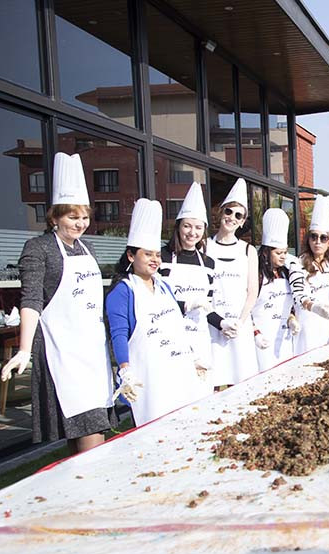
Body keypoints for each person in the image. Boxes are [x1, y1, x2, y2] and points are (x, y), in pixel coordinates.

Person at [2, 152, 115, 452]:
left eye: (84, 217)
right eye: (72, 216)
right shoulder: (38, 248)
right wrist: (24, 349)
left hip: (91, 353)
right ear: (54, 216)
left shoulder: (87, 247)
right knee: (90, 433)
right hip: (61, 353)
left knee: (88, 429)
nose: (80, 223)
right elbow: (31, 300)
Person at [106, 199, 209, 426]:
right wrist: (124, 370)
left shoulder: (163, 286)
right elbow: (119, 334)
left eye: (157, 255)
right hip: (149, 377)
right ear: (131, 256)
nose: (155, 260)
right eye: (147, 255)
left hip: (177, 370)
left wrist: (193, 357)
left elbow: (176, 327)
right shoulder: (122, 291)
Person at [158, 182, 219, 385]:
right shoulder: (162, 257)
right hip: (171, 338)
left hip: (200, 339)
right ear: (178, 227)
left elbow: (208, 307)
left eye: (198, 227)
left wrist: (223, 323)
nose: (192, 232)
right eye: (187, 226)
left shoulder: (209, 263)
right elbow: (157, 302)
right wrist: (185, 304)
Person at [209, 178, 258, 386]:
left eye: (238, 215)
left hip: (240, 325)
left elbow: (252, 291)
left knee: (240, 382)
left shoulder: (248, 250)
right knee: (213, 383)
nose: (232, 218)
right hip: (212, 325)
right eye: (229, 212)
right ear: (221, 212)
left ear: (243, 221)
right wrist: (219, 322)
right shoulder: (205, 247)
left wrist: (239, 322)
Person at [290, 194, 329, 353]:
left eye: (323, 238)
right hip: (308, 326)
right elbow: (297, 294)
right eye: (314, 237)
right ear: (308, 239)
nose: (318, 242)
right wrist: (314, 307)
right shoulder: (297, 264)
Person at [252, 208, 298, 371]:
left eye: (285, 252)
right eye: (278, 253)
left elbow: (290, 305)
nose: (283, 256)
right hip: (262, 339)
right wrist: (255, 333)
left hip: (284, 338)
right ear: (266, 252)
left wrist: (292, 320)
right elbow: (248, 308)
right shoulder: (256, 274)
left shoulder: (286, 273)